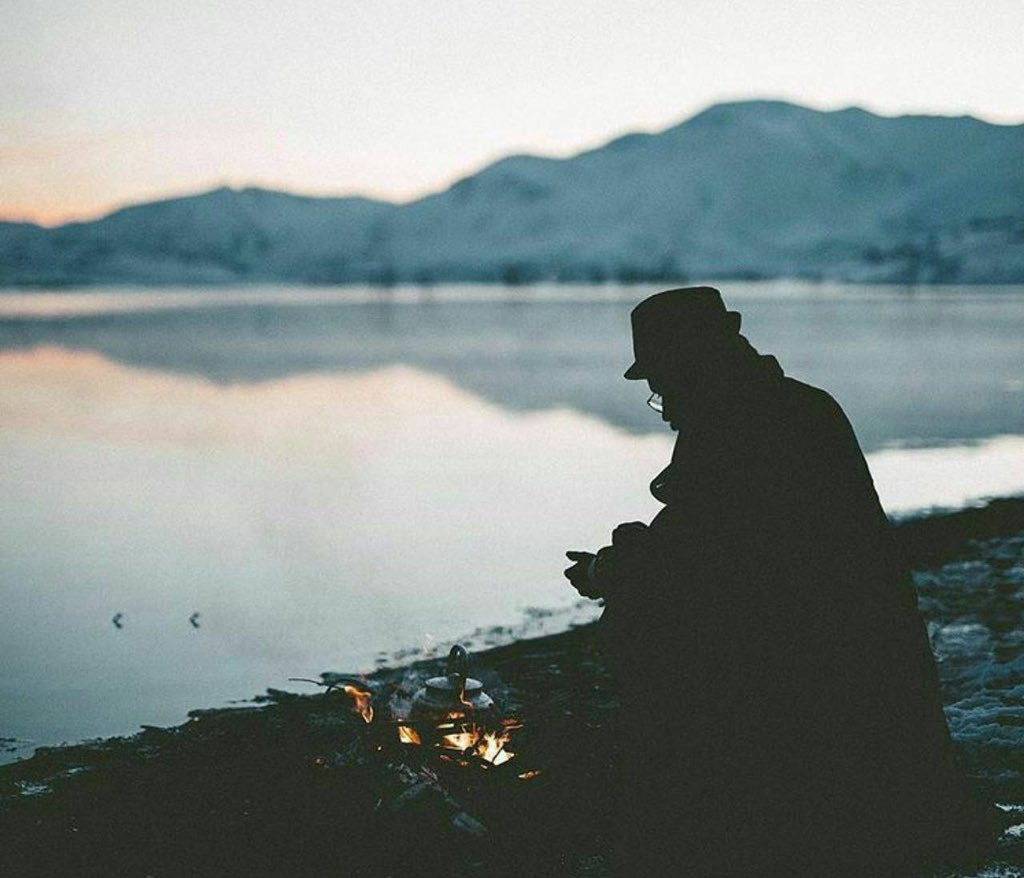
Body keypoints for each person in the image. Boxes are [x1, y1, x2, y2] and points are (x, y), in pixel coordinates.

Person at [564, 287, 996, 875]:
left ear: (688, 368)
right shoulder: (795, 405)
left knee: (644, 624)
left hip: (811, 658)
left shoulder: (734, 425)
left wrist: (607, 572)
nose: (661, 406)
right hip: (858, 643)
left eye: (660, 385)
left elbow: (701, 561)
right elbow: (710, 541)